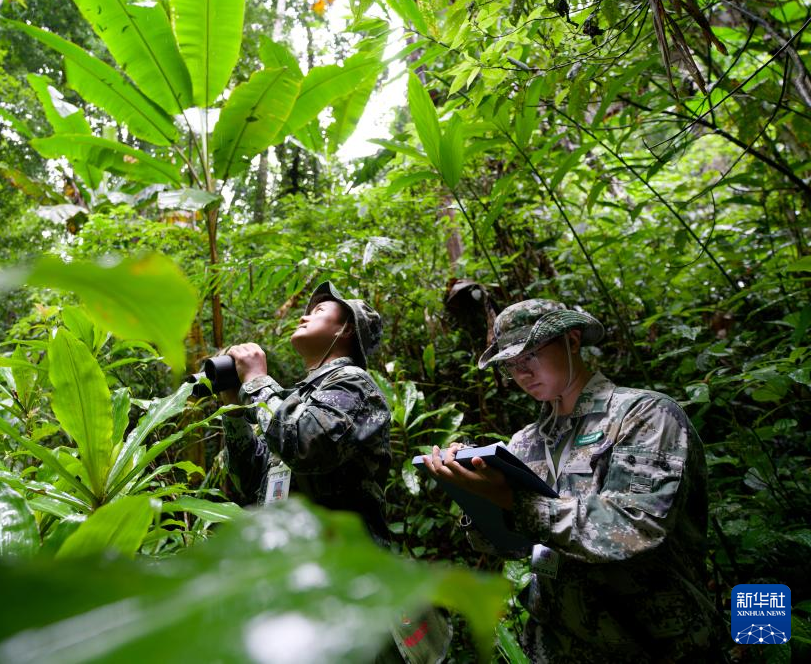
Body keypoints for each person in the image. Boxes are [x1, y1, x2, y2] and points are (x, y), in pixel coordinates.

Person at [423, 299, 719, 663]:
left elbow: (633, 527)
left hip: (651, 643)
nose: (522, 372)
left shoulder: (645, 415)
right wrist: (475, 493)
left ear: (573, 341)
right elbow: (512, 547)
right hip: (559, 644)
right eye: (511, 364)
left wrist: (515, 500)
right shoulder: (525, 442)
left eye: (531, 355)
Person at [218, 280, 392, 544]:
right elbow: (249, 480)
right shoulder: (298, 399)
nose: (302, 317)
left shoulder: (355, 383)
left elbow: (302, 445)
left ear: (346, 328)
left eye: (319, 311)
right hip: (291, 556)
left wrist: (256, 381)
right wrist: (234, 412)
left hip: (339, 558)